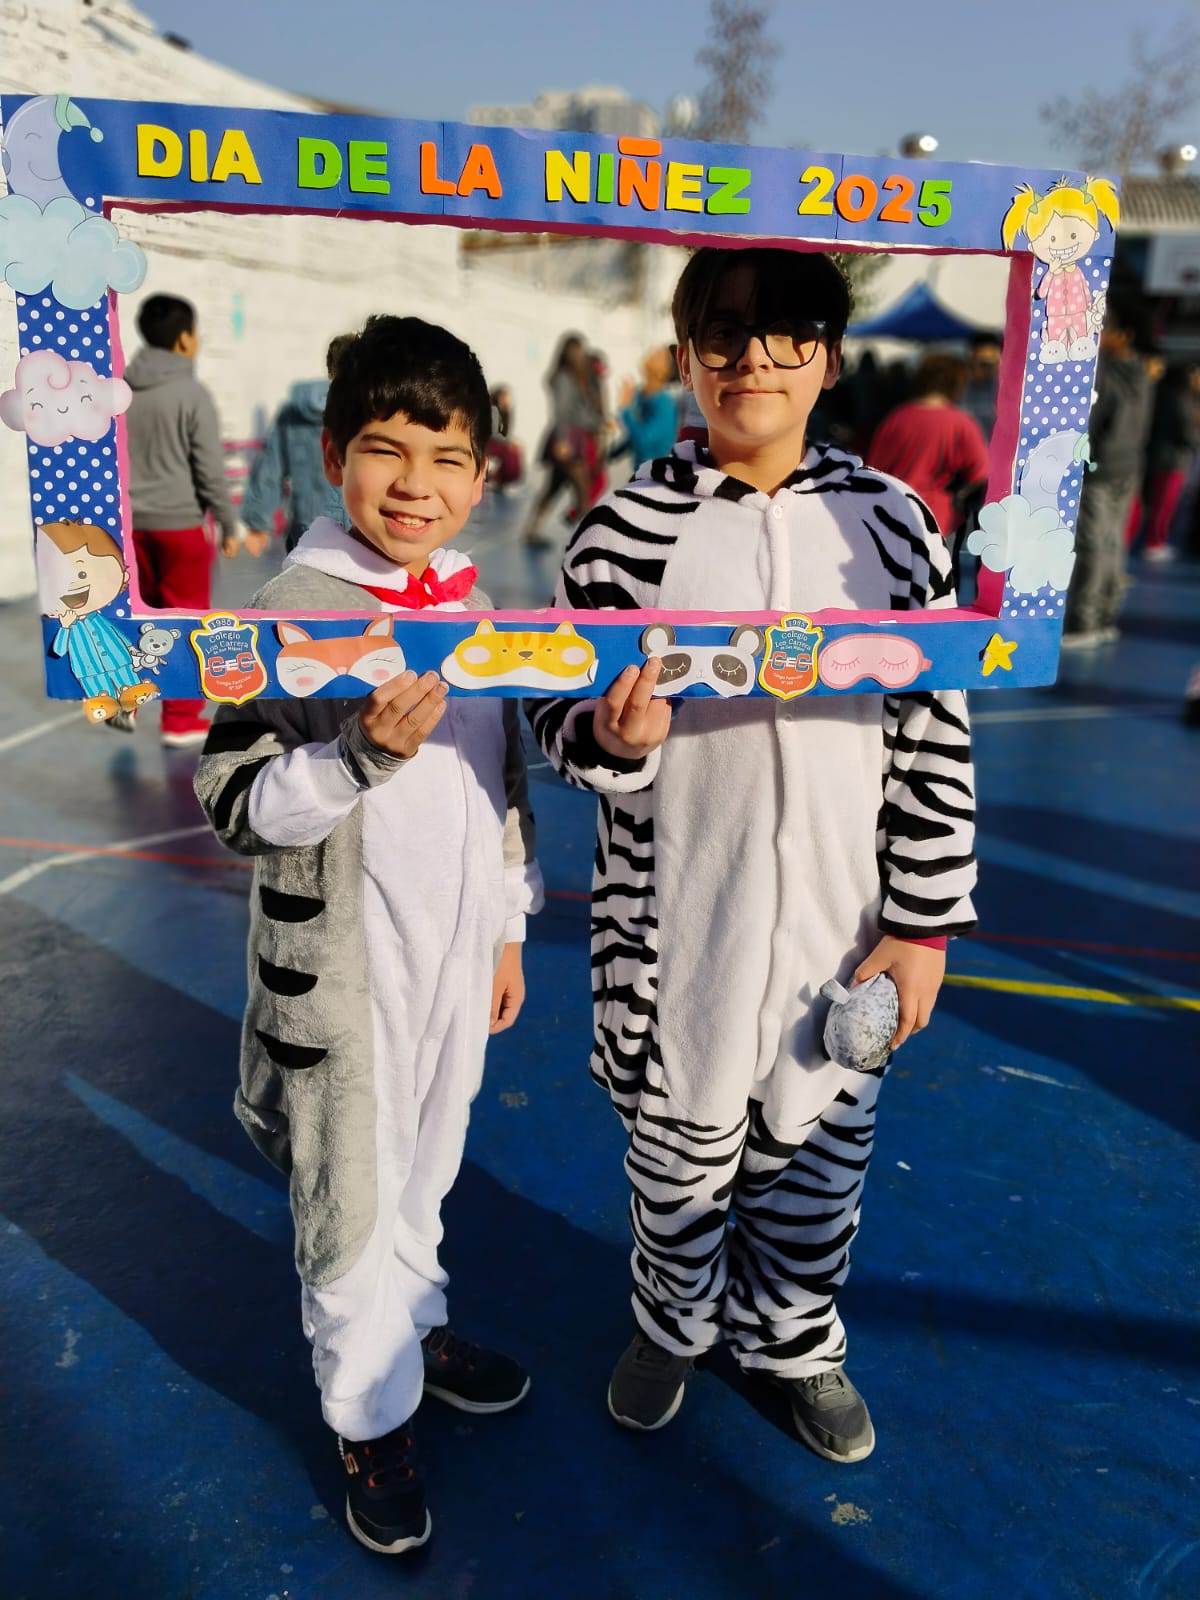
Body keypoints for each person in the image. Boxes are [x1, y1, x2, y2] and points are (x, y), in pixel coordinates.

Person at [529, 247, 977, 1464]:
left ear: (829, 360)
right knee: (676, 1165)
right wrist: (609, 737)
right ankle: (669, 1322)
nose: (753, 359)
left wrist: (921, 922)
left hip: (844, 927)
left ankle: (794, 1338)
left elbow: (933, 729)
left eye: (788, 334)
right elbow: (556, 713)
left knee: (821, 1161)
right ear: (685, 356)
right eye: (722, 333)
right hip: (677, 930)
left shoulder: (894, 528)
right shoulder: (622, 531)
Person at [194, 315, 543, 1557]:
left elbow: (503, 782)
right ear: (334, 456)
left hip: (456, 955)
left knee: (429, 1163)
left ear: (482, 475)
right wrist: (354, 758)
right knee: (350, 1187)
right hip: (343, 967)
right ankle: (368, 1413)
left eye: (447, 459)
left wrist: (506, 929)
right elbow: (235, 799)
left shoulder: (478, 605)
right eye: (386, 451)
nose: (415, 485)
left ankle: (417, 1328)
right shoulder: (288, 609)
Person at [124, 292, 241, 746]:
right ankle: (179, 719)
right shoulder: (192, 395)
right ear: (184, 339)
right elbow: (209, 468)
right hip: (179, 528)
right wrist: (228, 522)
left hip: (130, 526)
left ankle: (125, 701)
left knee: (138, 616)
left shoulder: (119, 391)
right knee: (185, 623)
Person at [1062, 298, 1155, 646]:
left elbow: (1093, 418)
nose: (1100, 332)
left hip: (1100, 469)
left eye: (1107, 327)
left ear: (1124, 334)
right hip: (1130, 467)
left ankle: (1083, 621)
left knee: (1092, 544)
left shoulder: (1105, 371)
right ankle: (1105, 615)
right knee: (1114, 543)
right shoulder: (1143, 373)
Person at [242, 333, 353, 555]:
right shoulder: (370, 411)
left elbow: (270, 468)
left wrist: (257, 522)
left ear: (330, 368)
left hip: (307, 528)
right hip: (358, 531)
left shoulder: (293, 413)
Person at [867, 351, 990, 542]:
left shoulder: (896, 418)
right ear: (957, 383)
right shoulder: (961, 423)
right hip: (938, 519)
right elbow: (981, 472)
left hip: (893, 513)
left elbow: (872, 470)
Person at [523, 332, 605, 547]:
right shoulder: (564, 378)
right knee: (583, 490)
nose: (580, 354)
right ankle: (587, 543)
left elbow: (582, 410)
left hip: (573, 437)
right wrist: (562, 441)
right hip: (568, 438)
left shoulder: (578, 377)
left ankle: (532, 532)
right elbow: (561, 412)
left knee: (553, 487)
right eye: (576, 350)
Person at [1140, 364, 1199, 563]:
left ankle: (1155, 540)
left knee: (1162, 502)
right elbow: (1186, 434)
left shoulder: (1168, 398)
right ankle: (1154, 542)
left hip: (1165, 458)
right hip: (1171, 460)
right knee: (1164, 503)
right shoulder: (1179, 401)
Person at [611, 345, 679, 474]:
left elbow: (643, 440)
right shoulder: (639, 394)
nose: (653, 352)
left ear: (663, 373)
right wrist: (611, 454)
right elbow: (634, 434)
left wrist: (625, 410)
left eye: (661, 355)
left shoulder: (665, 403)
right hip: (640, 472)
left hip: (657, 476)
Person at [484, 383, 523, 491]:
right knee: (510, 451)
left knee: (515, 451)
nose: (508, 400)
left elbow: (506, 434)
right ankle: (495, 478)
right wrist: (509, 443)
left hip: (496, 443)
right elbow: (492, 433)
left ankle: (499, 479)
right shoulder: (493, 409)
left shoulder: (506, 413)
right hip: (487, 443)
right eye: (505, 397)